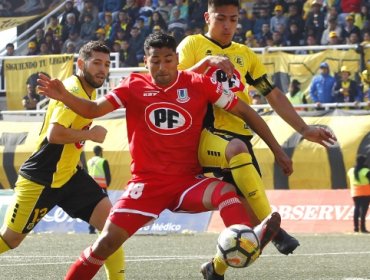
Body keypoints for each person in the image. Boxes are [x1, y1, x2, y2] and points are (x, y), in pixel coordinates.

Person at [37, 32, 291, 280]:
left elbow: (245, 111)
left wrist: (277, 150)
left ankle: (243, 239)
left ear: (177, 60)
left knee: (228, 194)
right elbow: (93, 109)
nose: (162, 67)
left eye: (168, 60)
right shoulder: (132, 85)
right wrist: (65, 96)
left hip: (187, 183)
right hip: (146, 186)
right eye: (155, 61)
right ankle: (242, 242)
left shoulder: (198, 83)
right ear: (145, 62)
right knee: (105, 244)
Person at [176, 0, 337, 265]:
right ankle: (279, 233)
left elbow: (272, 93)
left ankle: (215, 268)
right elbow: (175, 84)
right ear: (207, 17)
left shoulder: (246, 55)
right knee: (260, 225)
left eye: (233, 19)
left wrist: (304, 128)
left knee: (251, 238)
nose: (227, 26)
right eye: (220, 18)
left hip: (241, 136)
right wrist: (207, 62)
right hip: (206, 133)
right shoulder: (192, 45)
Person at [0, 41, 125, 280]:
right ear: (80, 63)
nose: (103, 69)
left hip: (69, 176)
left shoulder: (89, 90)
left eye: (107, 64)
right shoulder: (74, 91)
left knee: (113, 229)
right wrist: (90, 134)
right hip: (41, 178)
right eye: (97, 62)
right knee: (10, 239)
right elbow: (54, 135)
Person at [87, 145, 111, 234]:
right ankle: (104, 227)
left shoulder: (89, 161)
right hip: (102, 186)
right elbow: (107, 175)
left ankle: (91, 229)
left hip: (91, 186)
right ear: (100, 151)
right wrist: (107, 184)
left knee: (92, 207)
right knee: (104, 208)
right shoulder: (103, 161)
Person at [347, 154, 370, 233]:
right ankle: (363, 228)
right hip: (365, 192)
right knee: (363, 211)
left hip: (355, 192)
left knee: (356, 209)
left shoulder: (351, 171)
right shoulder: (365, 171)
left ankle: (356, 227)